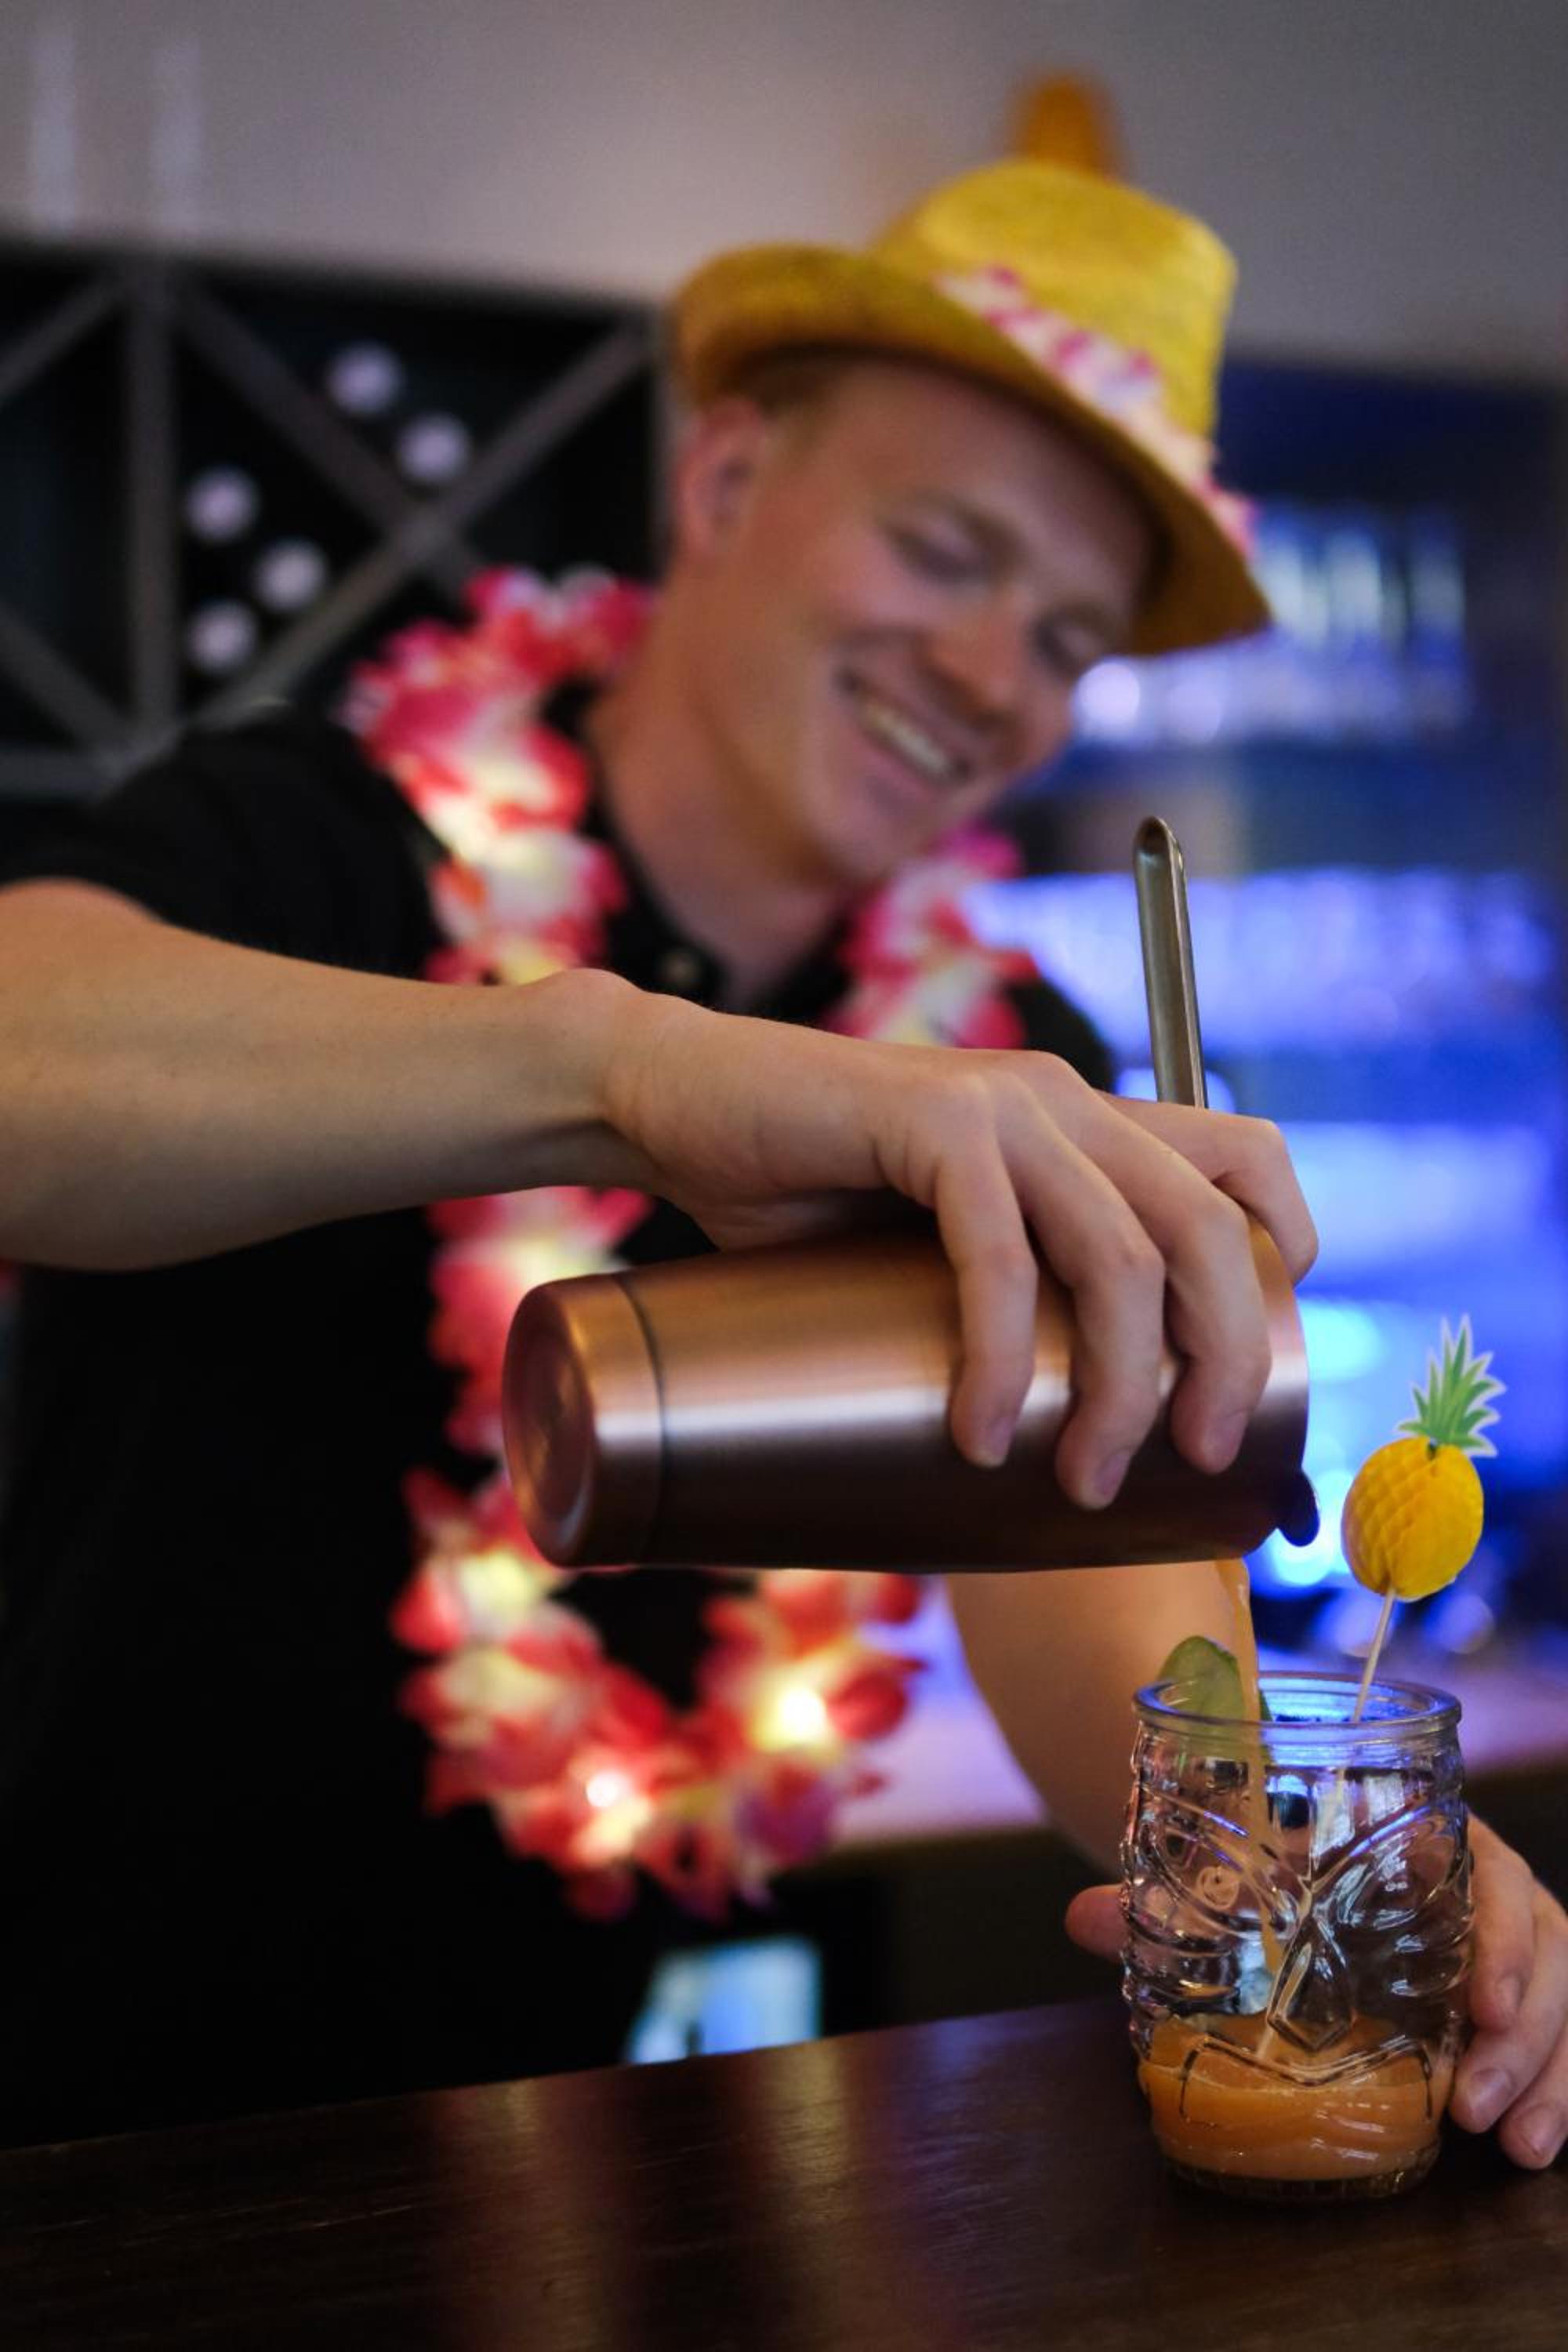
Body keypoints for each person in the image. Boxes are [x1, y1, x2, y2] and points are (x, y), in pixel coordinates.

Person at [0, 157, 1561, 2171]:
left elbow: (1091, 1552)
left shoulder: (1007, 1056)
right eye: (945, 550)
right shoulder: (324, 835)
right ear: (727, 477)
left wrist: (1285, 1844)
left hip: (546, 2143)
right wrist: (616, 1070)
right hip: (74, 2123)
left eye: (1066, 636)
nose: (993, 675)